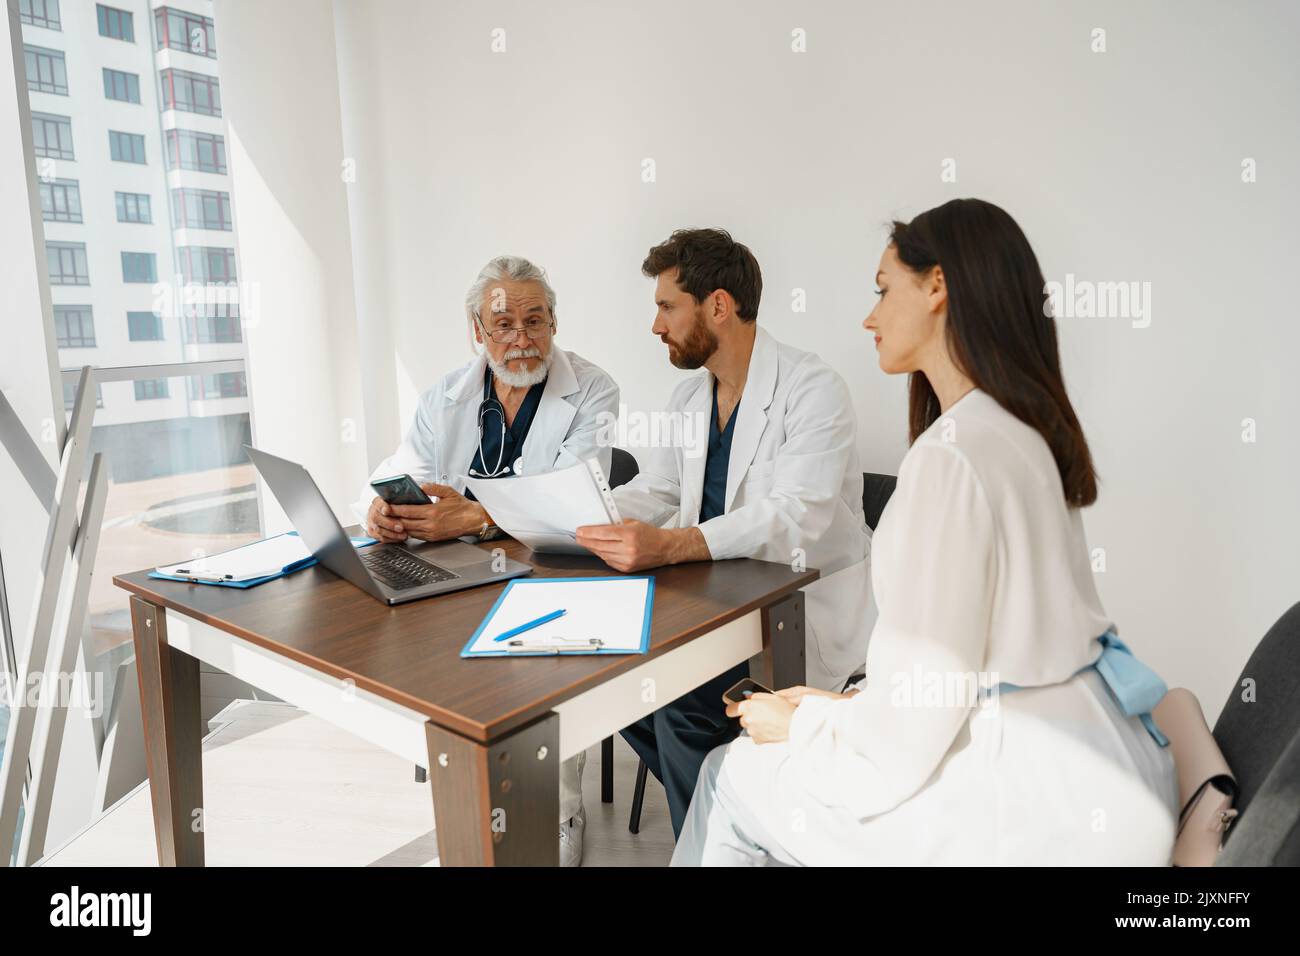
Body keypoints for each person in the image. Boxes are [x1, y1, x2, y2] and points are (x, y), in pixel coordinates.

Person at [672, 199, 1179, 865]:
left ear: (937, 286)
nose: (870, 316)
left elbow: (907, 737)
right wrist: (835, 707)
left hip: (1024, 800)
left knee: (729, 776)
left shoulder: (951, 457)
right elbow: (961, 668)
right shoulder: (1026, 434)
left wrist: (806, 723)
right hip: (1105, 763)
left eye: (884, 290)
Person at [576, 229, 873, 837]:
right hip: (709, 604)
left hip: (795, 608)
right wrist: (580, 515)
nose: (655, 326)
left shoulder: (813, 390)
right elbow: (657, 491)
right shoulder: (690, 398)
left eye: (666, 307)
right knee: (610, 686)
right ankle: (729, 822)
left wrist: (674, 544)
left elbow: (800, 512)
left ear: (717, 305)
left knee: (682, 709)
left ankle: (723, 834)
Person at [352, 255, 619, 866]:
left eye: (536, 319)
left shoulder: (595, 389)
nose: (521, 338)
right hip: (456, 569)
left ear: (555, 323)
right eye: (503, 324)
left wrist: (476, 515)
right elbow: (406, 471)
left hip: (550, 562)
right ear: (478, 330)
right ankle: (469, 794)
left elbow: (572, 495)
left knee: (550, 659)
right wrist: (387, 510)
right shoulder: (443, 395)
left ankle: (560, 811)